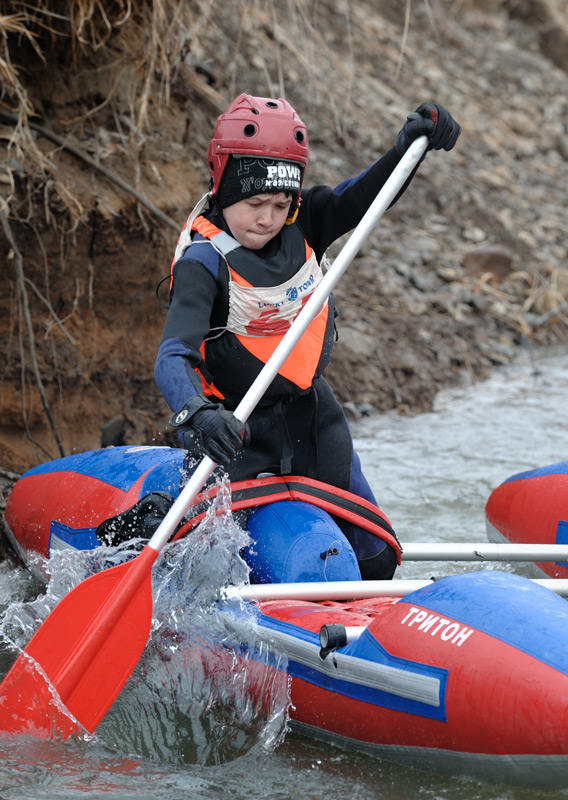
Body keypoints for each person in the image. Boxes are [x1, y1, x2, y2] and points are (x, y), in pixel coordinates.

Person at [154, 93, 460, 579]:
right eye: (254, 203)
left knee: (379, 559)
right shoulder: (203, 261)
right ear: (223, 185)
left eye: (280, 203)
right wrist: (200, 415)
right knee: (206, 570)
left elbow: (365, 196)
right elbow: (172, 355)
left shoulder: (308, 219)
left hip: (312, 415)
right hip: (234, 431)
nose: (267, 218)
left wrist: (409, 148)